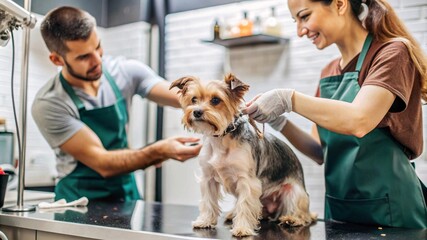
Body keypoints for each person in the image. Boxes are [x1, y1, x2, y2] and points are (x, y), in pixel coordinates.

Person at [244, 0, 427, 228]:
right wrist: (279, 122)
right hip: (340, 209)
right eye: (296, 21)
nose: (300, 31)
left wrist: (288, 99)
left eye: (304, 16)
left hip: (392, 211)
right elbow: (319, 150)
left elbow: (360, 120)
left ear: (340, 4)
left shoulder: (391, 53)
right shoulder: (328, 73)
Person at [32, 6, 202, 202]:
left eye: (97, 47)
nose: (97, 60)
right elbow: (103, 163)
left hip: (125, 193)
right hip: (78, 200)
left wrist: (222, 104)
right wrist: (158, 151)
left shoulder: (125, 71)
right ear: (57, 59)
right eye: (83, 57)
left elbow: (182, 97)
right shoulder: (50, 102)